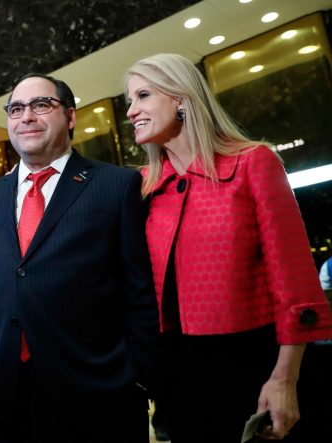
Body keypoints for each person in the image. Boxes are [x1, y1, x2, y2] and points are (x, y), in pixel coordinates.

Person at [124, 53, 332, 442]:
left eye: (142, 96)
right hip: (178, 379)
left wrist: (284, 379)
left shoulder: (253, 163)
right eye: (129, 102)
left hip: (255, 367)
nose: (131, 111)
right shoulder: (141, 189)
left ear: (181, 97)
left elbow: (295, 284)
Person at [0, 73, 160, 443]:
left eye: (41, 105)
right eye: (16, 109)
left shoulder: (116, 185)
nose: (26, 116)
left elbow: (139, 290)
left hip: (96, 396)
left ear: (70, 116)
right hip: (0, 396)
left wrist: (135, 372)